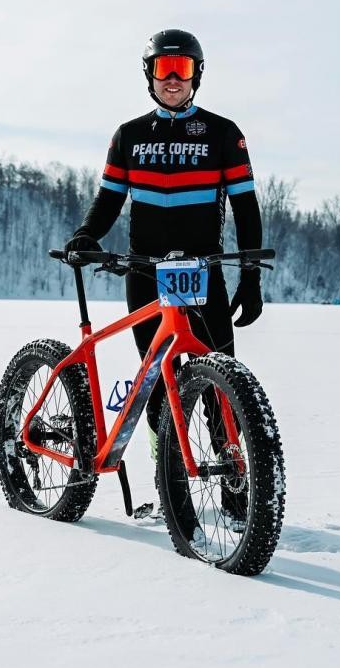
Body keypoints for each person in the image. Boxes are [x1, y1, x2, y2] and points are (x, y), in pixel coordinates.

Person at [64, 29, 264, 519]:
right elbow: (110, 197)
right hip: (146, 271)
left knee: (221, 382)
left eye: (183, 70)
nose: (173, 80)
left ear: (197, 75)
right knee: (156, 380)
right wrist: (89, 234)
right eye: (163, 69)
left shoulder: (223, 133)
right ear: (149, 75)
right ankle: (169, 478)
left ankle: (235, 490)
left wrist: (251, 275)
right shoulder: (129, 135)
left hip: (203, 271)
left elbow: (245, 205)